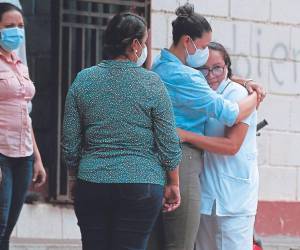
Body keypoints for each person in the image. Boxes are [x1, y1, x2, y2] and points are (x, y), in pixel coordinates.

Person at [148, 3, 264, 250]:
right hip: (184, 160)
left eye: (217, 68)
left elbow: (210, 80)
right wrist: (256, 95)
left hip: (220, 192)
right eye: (201, 48)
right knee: (180, 243)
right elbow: (230, 113)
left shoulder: (160, 65)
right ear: (188, 42)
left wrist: (243, 82)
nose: (208, 72)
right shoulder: (187, 76)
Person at [62, 12, 182, 250]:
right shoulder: (152, 83)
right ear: (136, 45)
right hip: (142, 184)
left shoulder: (83, 80)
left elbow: (70, 141)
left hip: (92, 182)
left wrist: (74, 177)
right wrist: (173, 183)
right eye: (145, 41)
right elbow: (168, 140)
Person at [177, 42, 258, 250]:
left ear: (227, 68)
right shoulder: (200, 95)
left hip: (233, 201)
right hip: (206, 196)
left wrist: (187, 136)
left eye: (217, 68)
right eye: (204, 68)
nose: (210, 74)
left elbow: (232, 145)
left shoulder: (239, 96)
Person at [0, 3, 47, 250]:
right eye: (9, 26)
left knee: (8, 230)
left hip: (24, 157)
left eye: (20, 26)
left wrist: (37, 159)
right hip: (2, 157)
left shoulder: (20, 65)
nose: (16, 32)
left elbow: (25, 117)